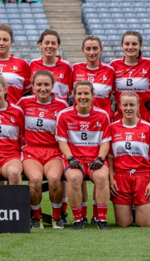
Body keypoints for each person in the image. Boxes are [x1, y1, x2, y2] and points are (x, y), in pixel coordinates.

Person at [57, 80, 113, 230]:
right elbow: (62, 142)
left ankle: (101, 219)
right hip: (75, 158)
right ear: (74, 96)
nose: (83, 97)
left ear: (93, 96)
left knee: (101, 177)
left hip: (95, 158)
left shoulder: (102, 115)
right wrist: (70, 158)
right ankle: (78, 219)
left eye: (86, 93)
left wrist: (100, 159)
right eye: (79, 93)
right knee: (74, 178)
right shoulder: (64, 115)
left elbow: (105, 142)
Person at [19, 71, 70, 229]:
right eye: (39, 84)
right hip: (31, 151)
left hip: (53, 151)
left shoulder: (61, 106)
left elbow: (64, 132)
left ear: (52, 86)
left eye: (46, 84)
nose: (42, 88)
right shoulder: (24, 103)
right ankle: (36, 215)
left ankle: (57, 216)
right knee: (35, 180)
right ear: (33, 86)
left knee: (55, 179)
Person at [109, 92, 150, 228]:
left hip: (142, 177)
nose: (128, 108)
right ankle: (131, 209)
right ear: (120, 107)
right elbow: (109, 157)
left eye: (132, 105)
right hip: (121, 177)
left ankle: (139, 209)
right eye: (125, 105)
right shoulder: (112, 128)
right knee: (123, 224)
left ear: (138, 106)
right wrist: (111, 179)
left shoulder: (148, 128)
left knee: (144, 224)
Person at [109, 31, 150, 121]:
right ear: (122, 46)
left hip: (143, 117)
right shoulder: (114, 65)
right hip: (121, 118)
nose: (130, 47)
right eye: (127, 44)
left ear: (140, 45)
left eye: (134, 44)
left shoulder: (149, 64)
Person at [72, 35, 115, 118]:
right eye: (88, 49)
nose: (91, 53)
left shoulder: (110, 71)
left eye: (95, 48)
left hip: (102, 120)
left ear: (101, 50)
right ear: (83, 50)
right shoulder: (75, 68)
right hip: (79, 118)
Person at [30, 29, 74, 101]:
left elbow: (71, 91)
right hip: (38, 108)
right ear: (40, 44)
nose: (50, 46)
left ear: (58, 46)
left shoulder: (67, 66)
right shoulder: (33, 64)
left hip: (60, 109)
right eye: (47, 43)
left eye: (53, 43)